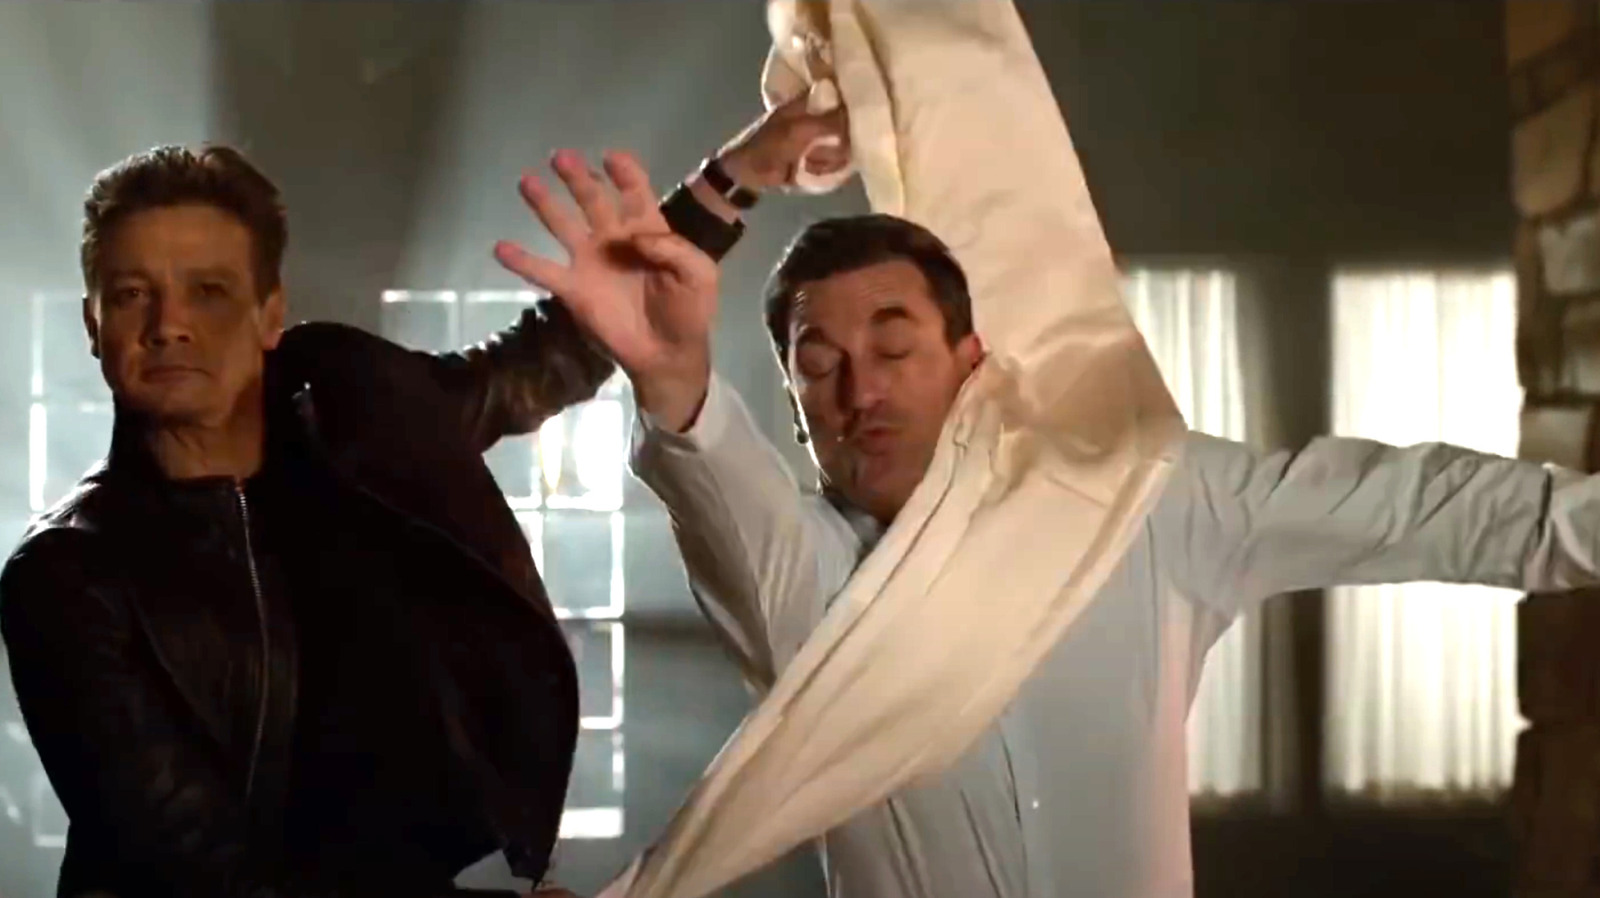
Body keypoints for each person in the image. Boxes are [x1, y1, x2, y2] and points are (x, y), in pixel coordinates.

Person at [494, 139, 1600, 897]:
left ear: (971, 361)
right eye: (819, 367)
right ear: (793, 407)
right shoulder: (813, 592)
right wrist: (670, 372)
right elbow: (724, 496)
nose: (860, 390)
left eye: (894, 348)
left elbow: (1425, 509)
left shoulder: (1139, 504)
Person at [0, 134, 772, 897]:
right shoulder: (65, 573)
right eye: (132, 294)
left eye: (209, 290)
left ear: (270, 315)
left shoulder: (352, 427)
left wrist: (741, 172)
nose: (169, 323)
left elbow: (536, 362)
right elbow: (206, 875)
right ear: (93, 324)